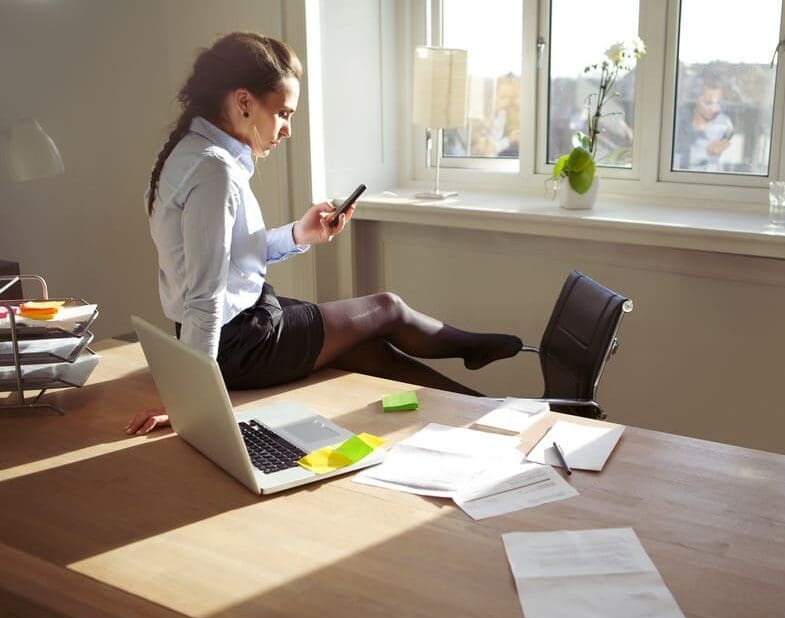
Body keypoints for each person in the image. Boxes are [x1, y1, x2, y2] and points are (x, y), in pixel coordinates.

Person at [127, 32, 521, 435]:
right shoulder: (215, 172)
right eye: (283, 113)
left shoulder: (191, 153)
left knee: (366, 346)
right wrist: (191, 400)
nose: (287, 130)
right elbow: (204, 297)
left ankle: (483, 408)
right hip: (238, 345)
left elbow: (230, 258)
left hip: (241, 324)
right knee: (386, 307)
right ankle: (477, 369)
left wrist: (301, 233)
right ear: (243, 102)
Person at [673, 73, 734, 172]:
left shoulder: (724, 124)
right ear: (696, 100)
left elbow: (728, 165)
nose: (714, 109)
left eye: (718, 103)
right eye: (708, 103)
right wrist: (707, 152)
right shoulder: (677, 121)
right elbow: (673, 163)